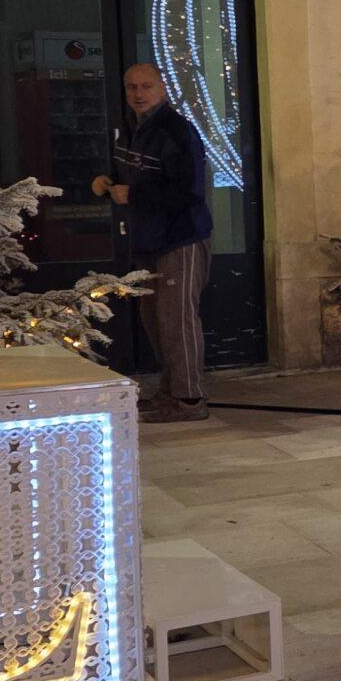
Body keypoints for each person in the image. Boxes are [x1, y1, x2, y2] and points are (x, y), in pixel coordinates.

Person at [91, 63, 214, 422]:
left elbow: (189, 190)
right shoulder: (131, 128)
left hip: (181, 238)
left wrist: (134, 194)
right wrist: (107, 182)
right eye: (132, 87)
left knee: (177, 320)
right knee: (155, 320)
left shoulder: (177, 130)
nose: (138, 93)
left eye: (146, 86)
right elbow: (135, 175)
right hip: (147, 239)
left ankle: (189, 400)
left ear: (163, 89)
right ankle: (171, 392)